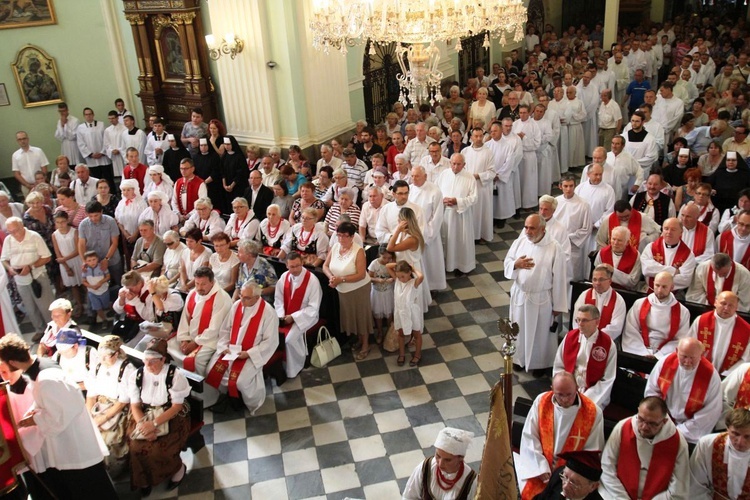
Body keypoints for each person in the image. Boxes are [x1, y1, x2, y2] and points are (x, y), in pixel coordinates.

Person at [0, 334, 117, 499]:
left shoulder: (46, 380)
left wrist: (33, 419)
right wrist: (34, 411)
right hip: (74, 444)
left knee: (93, 491)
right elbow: (52, 402)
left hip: (75, 448)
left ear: (12, 362)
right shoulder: (43, 364)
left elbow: (58, 418)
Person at [518, 372, 604, 499]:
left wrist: (568, 474)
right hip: (541, 470)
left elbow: (590, 453)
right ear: (552, 390)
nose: (564, 399)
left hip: (571, 476)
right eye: (560, 395)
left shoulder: (592, 412)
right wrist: (540, 467)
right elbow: (530, 436)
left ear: (577, 388)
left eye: (569, 394)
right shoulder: (542, 402)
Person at [122, 338, 190, 496]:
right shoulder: (137, 376)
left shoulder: (174, 375)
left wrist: (154, 424)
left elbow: (176, 407)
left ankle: (178, 468)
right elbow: (135, 405)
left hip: (170, 415)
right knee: (135, 447)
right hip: (145, 414)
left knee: (160, 448)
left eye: (153, 361)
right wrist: (143, 426)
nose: (148, 366)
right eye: (146, 361)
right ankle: (144, 480)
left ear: (163, 360)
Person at [504, 214, 568, 376]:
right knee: (518, 329)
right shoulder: (521, 241)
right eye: (526, 227)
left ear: (542, 229)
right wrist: (516, 264)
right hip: (520, 294)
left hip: (541, 298)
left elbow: (560, 277)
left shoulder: (554, 247)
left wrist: (559, 305)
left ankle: (539, 364)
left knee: (540, 333)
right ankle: (519, 359)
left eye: (532, 228)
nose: (527, 231)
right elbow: (507, 261)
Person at [205, 280, 279, 414]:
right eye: (241, 295)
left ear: (257, 298)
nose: (242, 300)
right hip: (231, 350)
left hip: (251, 353)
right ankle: (228, 396)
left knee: (240, 381)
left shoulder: (268, 313)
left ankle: (249, 402)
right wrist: (224, 346)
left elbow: (270, 341)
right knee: (211, 370)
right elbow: (226, 329)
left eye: (246, 298)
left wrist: (248, 353)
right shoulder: (237, 306)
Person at [598, 396, 689, 499]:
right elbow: (606, 467)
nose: (644, 427)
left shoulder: (678, 443)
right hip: (617, 495)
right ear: (638, 411)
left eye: (652, 423)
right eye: (641, 419)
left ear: (664, 422)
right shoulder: (623, 427)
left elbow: (678, 489)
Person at [645, 337, 723, 444]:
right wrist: (661, 421)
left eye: (692, 358)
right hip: (661, 421)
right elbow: (652, 391)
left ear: (701, 355)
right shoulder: (665, 363)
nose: (687, 362)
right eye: (684, 356)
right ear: (677, 351)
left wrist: (678, 431)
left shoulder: (711, 377)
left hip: (690, 431)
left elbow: (710, 412)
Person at [84, 335, 134, 477]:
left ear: (116, 353)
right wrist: (89, 416)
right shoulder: (98, 366)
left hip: (118, 409)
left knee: (108, 439)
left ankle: (112, 471)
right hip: (99, 406)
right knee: (87, 434)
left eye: (107, 356)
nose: (103, 360)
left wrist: (103, 418)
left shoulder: (126, 369)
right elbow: (91, 394)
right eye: (101, 356)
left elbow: (123, 400)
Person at [169, 266, 233, 376]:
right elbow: (185, 318)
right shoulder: (193, 294)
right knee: (170, 346)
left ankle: (202, 390)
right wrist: (184, 338)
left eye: (203, 284)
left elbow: (215, 328)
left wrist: (195, 343)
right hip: (191, 337)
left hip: (211, 340)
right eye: (197, 284)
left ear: (212, 282)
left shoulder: (221, 298)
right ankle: (178, 381)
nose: (199, 288)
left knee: (196, 360)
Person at [323, 222, 373, 360]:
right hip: (343, 290)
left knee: (361, 316)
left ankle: (365, 345)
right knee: (351, 316)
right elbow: (325, 266)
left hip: (358, 288)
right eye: (339, 235)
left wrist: (341, 279)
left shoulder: (358, 251)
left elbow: (361, 274)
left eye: (345, 236)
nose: (341, 239)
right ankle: (358, 339)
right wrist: (331, 277)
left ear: (352, 237)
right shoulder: (335, 247)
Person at [553, 304, 617, 409]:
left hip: (594, 393)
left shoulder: (607, 344)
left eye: (585, 320)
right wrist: (564, 388)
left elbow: (608, 379)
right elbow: (559, 365)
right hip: (568, 390)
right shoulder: (569, 337)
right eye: (578, 320)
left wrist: (586, 398)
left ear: (597, 322)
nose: (580, 324)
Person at [1, 217, 54, 335]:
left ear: (22, 226)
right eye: (10, 232)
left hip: (37, 275)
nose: (14, 234)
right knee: (30, 308)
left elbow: (47, 257)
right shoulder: (8, 240)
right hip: (20, 279)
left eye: (16, 230)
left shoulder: (34, 236)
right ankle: (40, 330)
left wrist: (31, 266)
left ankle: (53, 330)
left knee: (45, 305)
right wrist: (10, 268)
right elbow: (4, 259)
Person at [274, 252, 322, 378]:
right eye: (291, 267)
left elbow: (313, 307)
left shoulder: (312, 281)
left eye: (297, 266)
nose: (294, 270)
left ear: (302, 263)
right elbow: (278, 299)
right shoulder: (284, 277)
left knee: (289, 340)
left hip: (306, 317)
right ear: (286, 266)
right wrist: (281, 316)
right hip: (284, 316)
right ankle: (279, 366)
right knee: (272, 335)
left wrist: (293, 317)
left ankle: (295, 367)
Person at [622, 271, 690, 358]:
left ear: (672, 287)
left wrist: (659, 355)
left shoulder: (683, 311)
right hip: (639, 350)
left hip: (665, 355)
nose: (659, 290)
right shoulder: (639, 304)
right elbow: (631, 331)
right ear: (653, 284)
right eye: (657, 285)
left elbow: (680, 341)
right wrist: (643, 352)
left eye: (664, 287)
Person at [690, 407, 750, 499]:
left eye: (747, 437)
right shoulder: (707, 444)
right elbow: (696, 486)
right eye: (735, 434)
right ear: (727, 428)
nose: (740, 442)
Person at [402, 427, 477, 500]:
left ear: (460, 458)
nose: (440, 464)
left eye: (447, 460)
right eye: (438, 456)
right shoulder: (426, 467)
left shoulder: (471, 482)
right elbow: (408, 496)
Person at [689, 291, 750, 377]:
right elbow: (690, 346)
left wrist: (727, 375)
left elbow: (746, 359)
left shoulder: (746, 330)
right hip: (698, 371)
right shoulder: (701, 321)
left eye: (731, 305)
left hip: (728, 376)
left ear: (736, 307)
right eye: (723, 303)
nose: (726, 308)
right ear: (715, 302)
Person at [436, 154, 478, 277]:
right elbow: (436, 191)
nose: (455, 166)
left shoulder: (469, 177)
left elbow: (474, 198)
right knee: (446, 239)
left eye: (459, 164)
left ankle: (462, 266)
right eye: (453, 163)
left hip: (461, 215)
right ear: (450, 163)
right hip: (445, 214)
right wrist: (443, 200)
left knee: (460, 240)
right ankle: (446, 264)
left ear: (464, 165)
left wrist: (457, 201)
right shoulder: (444, 174)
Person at [640, 217, 697, 291]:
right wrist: (674, 271)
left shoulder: (688, 255)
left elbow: (685, 280)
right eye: (666, 229)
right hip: (650, 291)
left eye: (673, 229)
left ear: (681, 232)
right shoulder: (651, 247)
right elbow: (646, 270)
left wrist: (655, 272)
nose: (669, 232)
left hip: (674, 295)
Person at [572, 264, 627, 339]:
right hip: (583, 338)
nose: (597, 283)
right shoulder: (584, 295)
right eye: (594, 279)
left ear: (610, 281)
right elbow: (576, 320)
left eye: (601, 279)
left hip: (606, 340)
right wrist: (584, 337)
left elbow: (616, 327)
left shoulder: (618, 300)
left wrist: (596, 338)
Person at [555, 175, 592, 281]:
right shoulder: (555, 202)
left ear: (575, 186)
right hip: (557, 244)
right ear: (560, 186)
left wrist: (568, 237)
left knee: (572, 276)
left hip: (573, 246)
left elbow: (586, 228)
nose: (568, 189)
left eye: (571, 186)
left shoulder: (583, 204)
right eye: (565, 186)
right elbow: (550, 224)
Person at [77, 200, 123, 287]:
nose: (93, 218)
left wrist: (106, 259)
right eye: (90, 216)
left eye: (96, 215)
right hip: (93, 262)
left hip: (112, 258)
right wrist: (84, 261)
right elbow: (81, 244)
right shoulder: (83, 225)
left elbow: (114, 242)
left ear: (101, 212)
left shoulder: (110, 221)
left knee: (118, 281)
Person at [534, 450, 604, 500]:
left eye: (574, 483)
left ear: (593, 486)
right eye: (565, 477)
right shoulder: (558, 477)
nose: (565, 486)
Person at [595, 200, 660, 252]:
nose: (624, 219)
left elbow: (657, 231)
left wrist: (645, 241)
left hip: (637, 256)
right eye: (620, 217)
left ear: (631, 210)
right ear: (615, 213)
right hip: (613, 256)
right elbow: (600, 241)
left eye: (627, 216)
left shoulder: (642, 218)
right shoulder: (608, 219)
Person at [52, 211, 84, 315]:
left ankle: (90, 305)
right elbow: (58, 252)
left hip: (77, 260)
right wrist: (66, 267)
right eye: (58, 222)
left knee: (84, 283)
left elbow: (77, 250)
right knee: (73, 285)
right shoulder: (55, 235)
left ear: (67, 221)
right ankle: (79, 305)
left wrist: (65, 258)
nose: (60, 225)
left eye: (63, 222)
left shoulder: (74, 232)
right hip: (65, 263)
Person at [76, 107, 110, 182]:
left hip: (103, 158)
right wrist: (90, 154)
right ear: (84, 116)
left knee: (108, 179)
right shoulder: (80, 128)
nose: (88, 116)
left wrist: (102, 152)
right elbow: (81, 143)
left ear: (93, 114)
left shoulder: (101, 125)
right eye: (86, 114)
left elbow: (106, 139)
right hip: (91, 159)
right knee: (96, 180)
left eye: (90, 114)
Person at [178, 227, 212, 292]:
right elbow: (183, 270)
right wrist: (184, 285)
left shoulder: (207, 253)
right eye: (187, 240)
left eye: (191, 241)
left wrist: (187, 286)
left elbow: (202, 275)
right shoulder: (185, 251)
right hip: (184, 283)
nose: (188, 243)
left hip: (199, 285)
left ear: (199, 241)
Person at [103, 110, 126, 179]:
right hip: (114, 155)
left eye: (113, 118)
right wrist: (111, 150)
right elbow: (106, 143)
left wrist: (119, 149)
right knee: (118, 174)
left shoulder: (124, 128)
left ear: (117, 118)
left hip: (122, 154)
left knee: (125, 172)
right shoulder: (107, 130)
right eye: (109, 119)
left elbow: (125, 141)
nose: (111, 120)